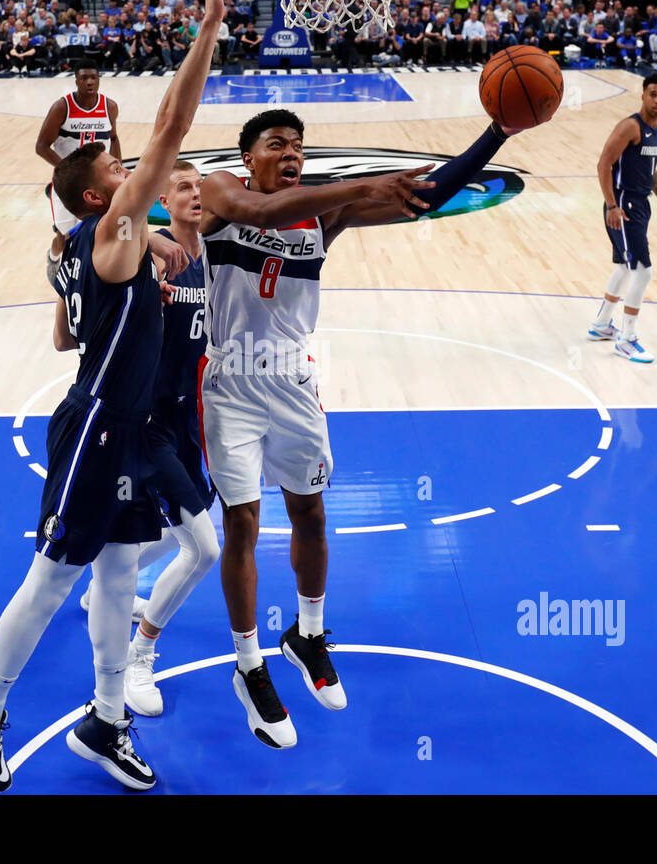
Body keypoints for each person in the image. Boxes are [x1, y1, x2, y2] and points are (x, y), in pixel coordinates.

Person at [0, 0, 225, 794]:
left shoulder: (89, 240)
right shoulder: (112, 235)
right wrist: (207, 28)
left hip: (137, 429)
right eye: (114, 166)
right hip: (97, 430)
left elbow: (66, 329)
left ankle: (106, 721)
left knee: (118, 574)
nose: (126, 160)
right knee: (55, 577)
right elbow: (173, 129)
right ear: (103, 200)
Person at [197, 105, 533, 748]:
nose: (292, 154)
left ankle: (308, 634)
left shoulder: (323, 214)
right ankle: (248, 667)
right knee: (242, 521)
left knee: (313, 514)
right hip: (230, 386)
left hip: (294, 380)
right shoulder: (221, 194)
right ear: (248, 157)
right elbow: (263, 216)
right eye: (277, 145)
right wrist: (361, 186)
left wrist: (498, 134)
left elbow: (427, 197)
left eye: (298, 146)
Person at [115, 161, 221, 718]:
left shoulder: (216, 255)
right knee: (204, 548)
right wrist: (150, 235)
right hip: (148, 422)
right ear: (161, 197)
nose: (196, 193)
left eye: (201, 186)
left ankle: (107, 582)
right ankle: (141, 654)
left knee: (185, 520)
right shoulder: (144, 256)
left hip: (191, 419)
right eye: (183, 186)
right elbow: (109, 221)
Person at [587, 72, 657, 363]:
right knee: (643, 271)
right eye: (653, 94)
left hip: (639, 204)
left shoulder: (654, 130)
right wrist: (612, 206)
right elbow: (603, 163)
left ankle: (601, 325)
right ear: (642, 95)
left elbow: (650, 171)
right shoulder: (630, 126)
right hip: (625, 207)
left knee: (623, 268)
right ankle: (627, 339)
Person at [36, 59, 121, 295]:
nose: (90, 82)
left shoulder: (109, 106)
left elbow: (113, 138)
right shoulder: (62, 107)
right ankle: (54, 259)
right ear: (76, 80)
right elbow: (42, 146)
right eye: (84, 78)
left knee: (99, 232)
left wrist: (118, 170)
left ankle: (89, 281)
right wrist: (68, 168)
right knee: (65, 235)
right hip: (67, 185)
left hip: (97, 184)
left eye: (94, 77)